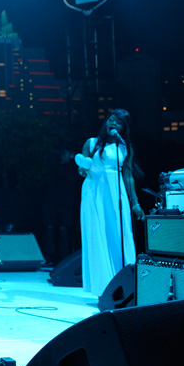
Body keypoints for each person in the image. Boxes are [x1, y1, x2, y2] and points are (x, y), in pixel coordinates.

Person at [76, 108, 145, 296]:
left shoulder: (124, 147)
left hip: (116, 192)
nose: (113, 123)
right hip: (94, 191)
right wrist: (82, 169)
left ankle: (124, 282)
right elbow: (83, 168)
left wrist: (135, 203)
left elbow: (128, 176)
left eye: (118, 122)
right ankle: (102, 285)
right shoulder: (91, 143)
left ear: (123, 128)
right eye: (111, 119)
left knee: (119, 233)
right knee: (98, 233)